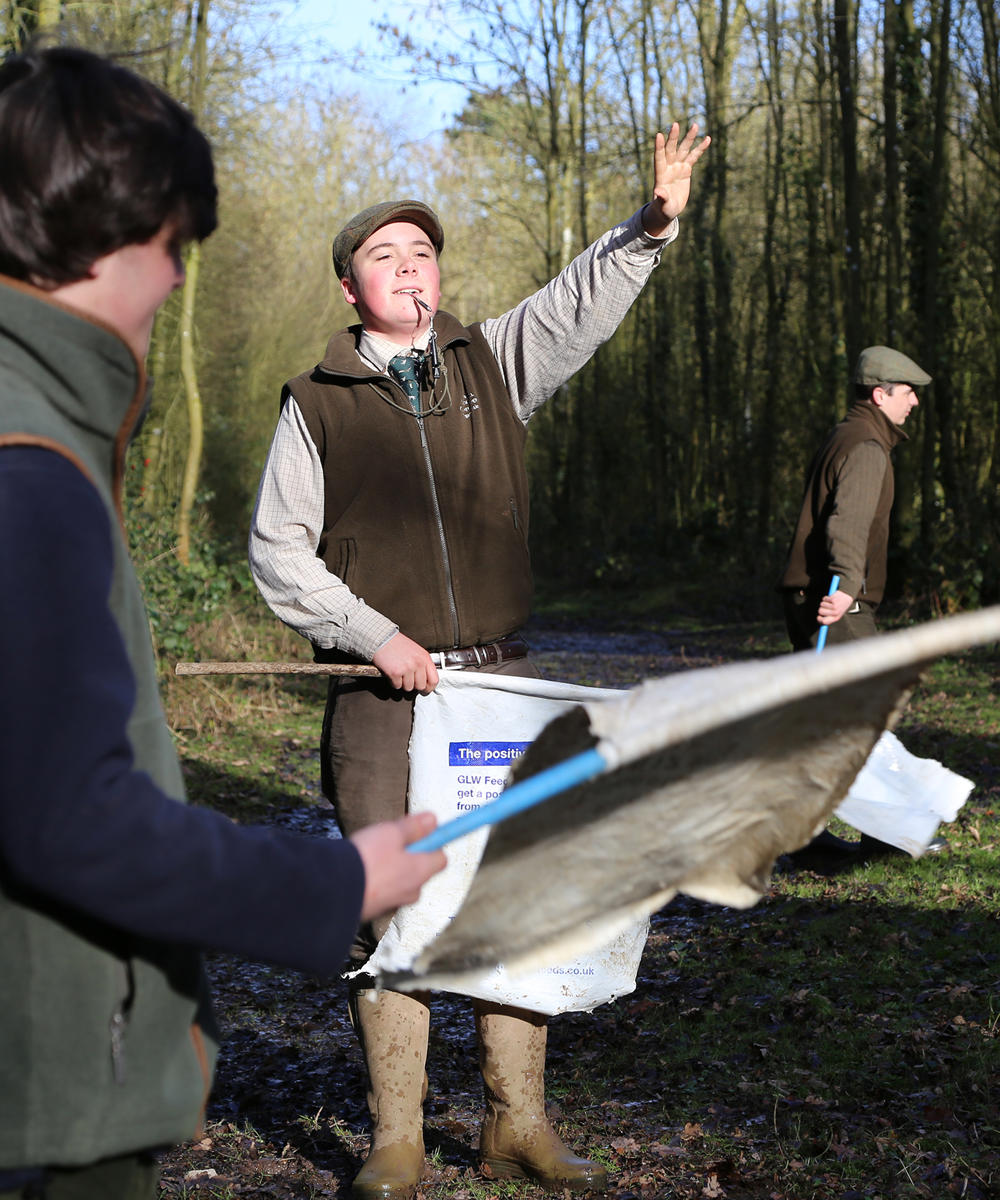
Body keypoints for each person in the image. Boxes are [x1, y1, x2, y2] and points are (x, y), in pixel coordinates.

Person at [0, 46, 444, 1200]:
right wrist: (326, 889)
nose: (180, 283)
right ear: (107, 230)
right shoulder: (28, 468)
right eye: (174, 247)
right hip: (41, 1100)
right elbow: (68, 815)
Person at [249, 125, 710, 1197]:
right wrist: (380, 637)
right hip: (381, 696)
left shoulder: (490, 364)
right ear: (353, 288)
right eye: (385, 256)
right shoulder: (315, 404)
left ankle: (515, 1123)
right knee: (391, 903)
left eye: (422, 251)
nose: (410, 266)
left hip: (498, 683)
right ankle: (398, 1138)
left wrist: (648, 228)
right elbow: (278, 553)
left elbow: (571, 303)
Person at [778, 344, 942, 870]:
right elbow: (845, 521)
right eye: (908, 392)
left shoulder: (846, 435)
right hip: (835, 599)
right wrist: (848, 583)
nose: (914, 402)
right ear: (881, 393)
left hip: (814, 595)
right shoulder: (868, 446)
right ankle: (894, 832)